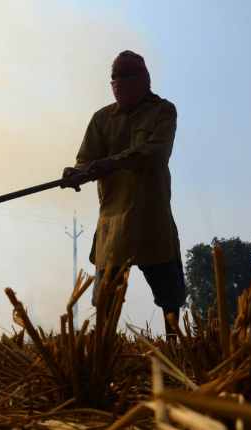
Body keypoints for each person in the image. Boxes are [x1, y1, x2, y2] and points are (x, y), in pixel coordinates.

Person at [61, 50, 186, 337]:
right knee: (105, 302)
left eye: (126, 77)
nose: (119, 83)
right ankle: (103, 352)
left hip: (151, 219)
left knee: (170, 297)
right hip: (113, 224)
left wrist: (109, 163)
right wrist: (77, 172)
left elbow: (155, 153)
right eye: (114, 78)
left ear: (144, 79)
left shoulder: (163, 111)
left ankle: (176, 350)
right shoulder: (101, 119)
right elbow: (86, 159)